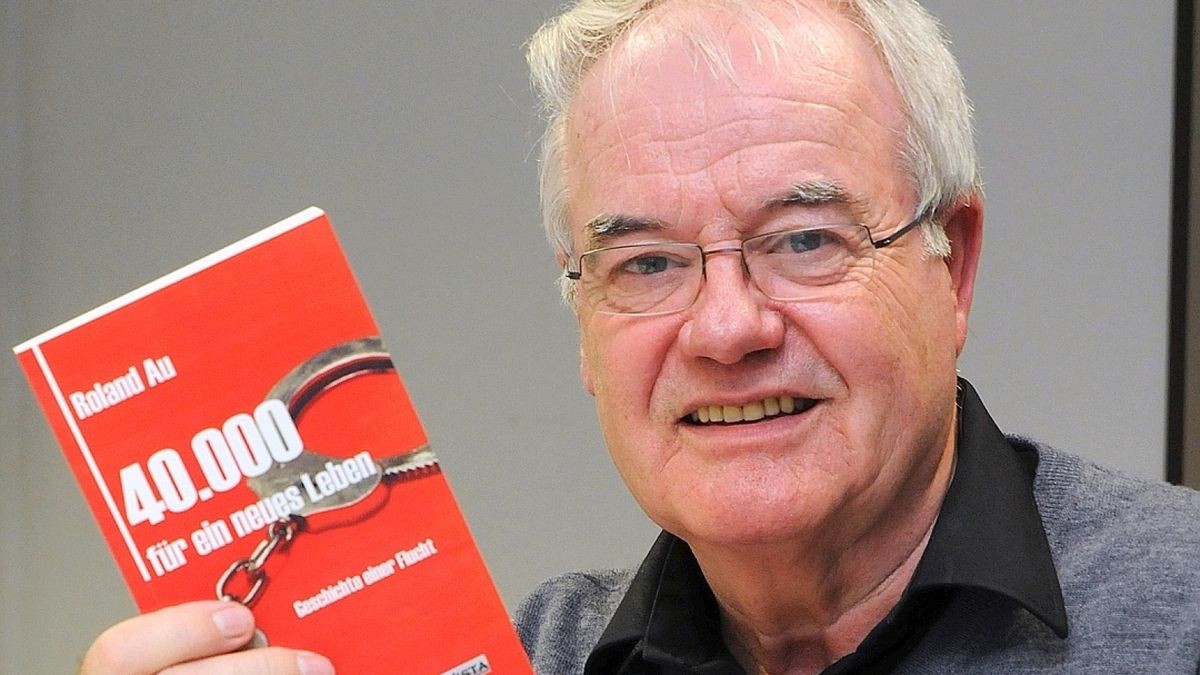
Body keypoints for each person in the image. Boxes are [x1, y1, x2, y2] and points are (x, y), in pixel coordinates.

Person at [80, 1, 1200, 673]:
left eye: (804, 240)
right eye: (648, 264)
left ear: (952, 264)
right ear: (582, 325)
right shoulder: (528, 658)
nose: (726, 326)